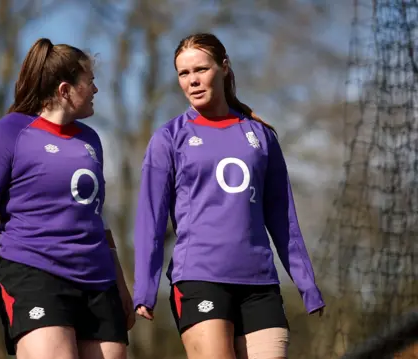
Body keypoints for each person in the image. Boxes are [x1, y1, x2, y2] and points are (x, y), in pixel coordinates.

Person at [132, 32, 326, 359]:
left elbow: (283, 218)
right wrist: (144, 290)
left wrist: (307, 284)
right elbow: (150, 220)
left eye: (201, 69)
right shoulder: (168, 138)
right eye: (184, 73)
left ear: (224, 68)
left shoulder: (261, 136)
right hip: (198, 279)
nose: (192, 80)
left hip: (260, 284)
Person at [0, 37, 134, 359]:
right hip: (33, 272)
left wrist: (120, 283)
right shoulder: (6, 133)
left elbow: (96, 216)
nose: (96, 90)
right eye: (90, 82)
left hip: (97, 278)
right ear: (65, 89)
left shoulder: (91, 140)